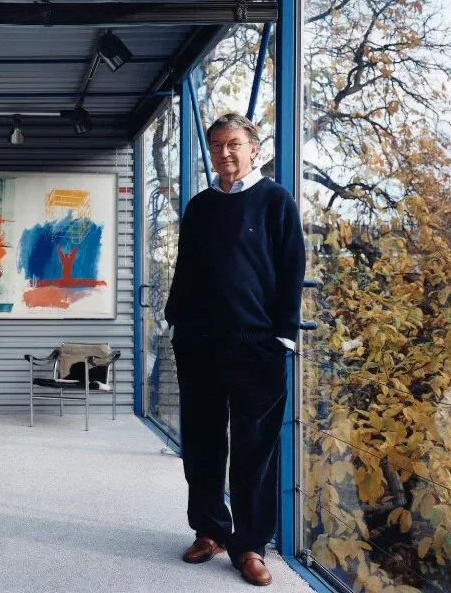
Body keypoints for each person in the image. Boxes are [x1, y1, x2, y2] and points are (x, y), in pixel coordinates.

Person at [165, 113, 305, 587]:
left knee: (254, 452)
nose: (225, 153)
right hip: (199, 346)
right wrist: (177, 325)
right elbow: (185, 271)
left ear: (253, 148)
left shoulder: (276, 201)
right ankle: (209, 530)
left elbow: (291, 270)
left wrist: (282, 337)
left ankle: (249, 545)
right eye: (217, 145)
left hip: (256, 348)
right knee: (202, 445)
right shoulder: (200, 207)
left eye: (234, 144)